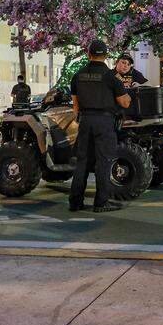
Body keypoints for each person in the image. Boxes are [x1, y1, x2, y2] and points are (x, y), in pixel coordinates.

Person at [69, 39, 131, 213]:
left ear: (88, 54)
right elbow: (124, 103)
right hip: (104, 122)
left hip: (85, 121)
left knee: (82, 162)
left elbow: (75, 106)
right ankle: (101, 202)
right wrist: (128, 97)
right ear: (105, 56)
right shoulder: (111, 77)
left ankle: (75, 202)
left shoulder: (78, 75)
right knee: (103, 162)